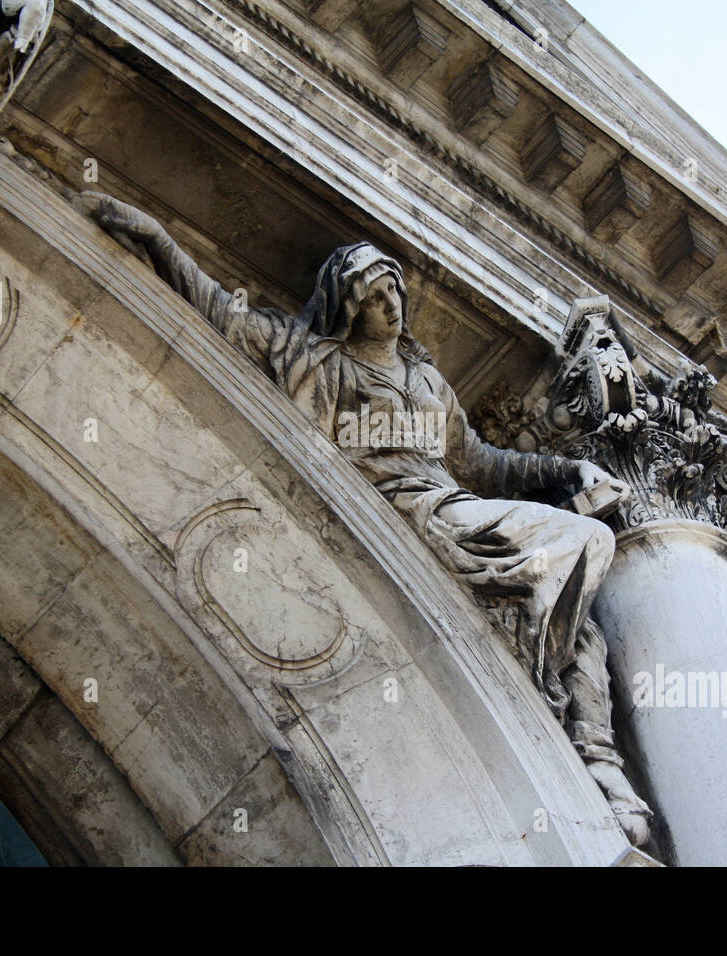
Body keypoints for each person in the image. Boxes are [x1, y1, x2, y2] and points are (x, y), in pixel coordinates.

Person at [75, 191, 652, 844]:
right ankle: (567, 720)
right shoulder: (311, 353)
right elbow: (217, 308)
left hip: (460, 504)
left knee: (581, 623)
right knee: (583, 544)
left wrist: (566, 471)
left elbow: (484, 461)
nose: (391, 306)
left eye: (395, 293)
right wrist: (155, 235)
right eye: (376, 296)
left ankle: (598, 758)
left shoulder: (428, 380)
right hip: (411, 512)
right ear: (348, 306)